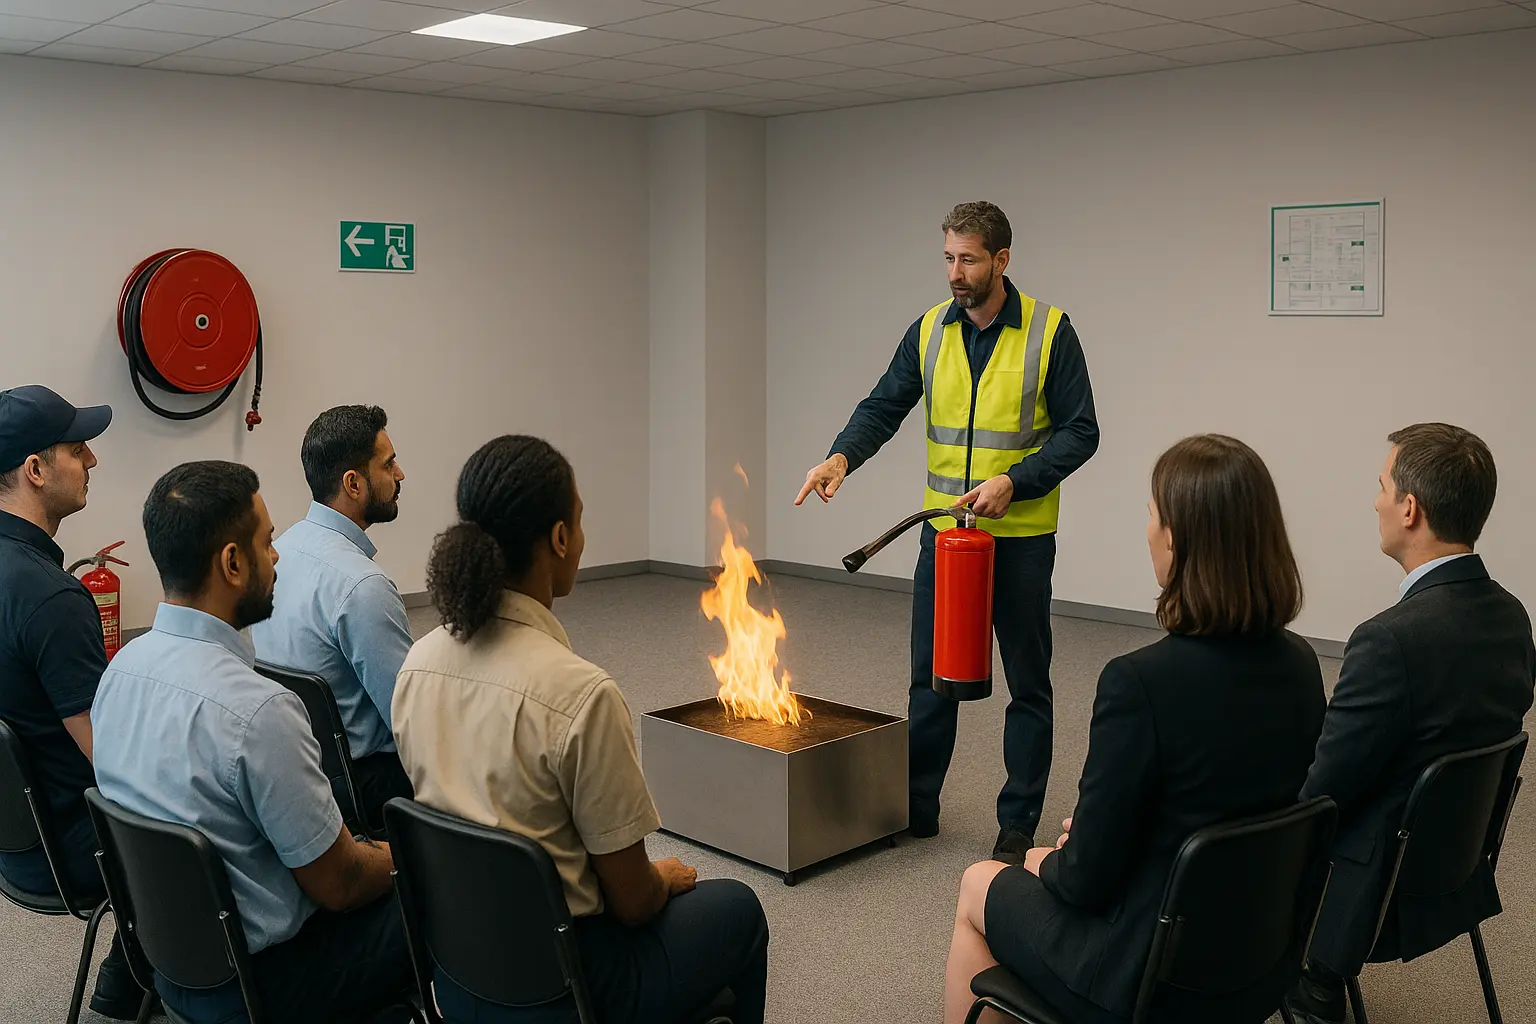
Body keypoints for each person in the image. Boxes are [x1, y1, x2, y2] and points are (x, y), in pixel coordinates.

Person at [942, 435, 1326, 1024]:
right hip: (1256, 958)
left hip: (1144, 973)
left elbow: (1087, 881)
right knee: (1041, 860)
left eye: (1153, 515)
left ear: (1178, 538)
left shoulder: (1139, 683)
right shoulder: (1302, 664)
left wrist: (1061, 856)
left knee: (981, 881)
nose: (1148, 531)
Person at [393, 435, 770, 1024]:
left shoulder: (417, 664)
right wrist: (663, 877)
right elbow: (634, 902)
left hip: (456, 978)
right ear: (560, 539)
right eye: (580, 520)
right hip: (568, 990)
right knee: (740, 911)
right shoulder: (580, 696)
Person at [795, 200, 1099, 860]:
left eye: (968, 259)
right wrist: (842, 457)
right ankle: (917, 806)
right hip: (944, 538)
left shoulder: (1050, 332)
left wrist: (1015, 480)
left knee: (1028, 684)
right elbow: (885, 404)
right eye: (948, 258)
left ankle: (1017, 822)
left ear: (1001, 260)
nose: (955, 273)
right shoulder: (930, 330)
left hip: (1019, 541)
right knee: (930, 678)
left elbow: (1082, 431)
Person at [91, 461, 414, 1024]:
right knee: (450, 895)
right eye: (267, 543)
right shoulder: (258, 711)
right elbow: (340, 885)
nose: (278, 557)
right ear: (233, 564)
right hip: (266, 984)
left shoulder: (119, 673)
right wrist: (408, 853)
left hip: (171, 969)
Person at [1286, 424, 1535, 1024]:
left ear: (1410, 509)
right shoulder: (1513, 618)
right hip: (1455, 870)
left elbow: (1321, 794)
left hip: (1372, 892)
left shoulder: (1388, 641)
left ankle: (1310, 981)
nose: (1374, 501)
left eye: (1382, 486)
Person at [0, 385, 142, 1019]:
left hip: (15, 839)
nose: (93, 460)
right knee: (214, 801)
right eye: (78, 448)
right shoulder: (51, 598)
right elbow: (113, 763)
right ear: (36, 469)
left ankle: (126, 975)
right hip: (69, 850)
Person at [251, 405, 413, 827]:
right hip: (367, 789)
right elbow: (412, 723)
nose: (400, 475)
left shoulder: (278, 553)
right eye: (389, 464)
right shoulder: (362, 586)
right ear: (353, 483)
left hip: (300, 773)